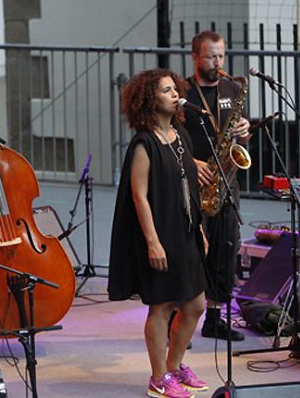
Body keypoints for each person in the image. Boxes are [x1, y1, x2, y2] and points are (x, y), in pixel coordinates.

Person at [108, 69, 209, 398]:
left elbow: (190, 186)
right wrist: (152, 241)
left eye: (174, 89)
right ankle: (158, 377)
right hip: (159, 234)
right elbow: (138, 196)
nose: (175, 94)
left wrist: (201, 229)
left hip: (186, 230)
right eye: (167, 90)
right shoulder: (143, 143)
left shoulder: (180, 135)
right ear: (150, 100)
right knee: (163, 306)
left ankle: (175, 365)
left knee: (195, 304)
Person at [182, 30, 251, 341]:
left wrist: (245, 131)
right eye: (211, 56)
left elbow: (242, 136)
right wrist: (191, 164)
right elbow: (169, 136)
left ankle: (214, 318)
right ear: (195, 57)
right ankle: (178, 321)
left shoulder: (232, 89)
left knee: (225, 250)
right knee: (188, 252)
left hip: (226, 180)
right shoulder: (182, 92)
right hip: (193, 179)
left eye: (221, 55)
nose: (218, 62)